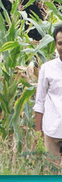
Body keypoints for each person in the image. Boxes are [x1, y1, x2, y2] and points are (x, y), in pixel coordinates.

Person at [34, 24, 62, 159]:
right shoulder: (47, 68)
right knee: (53, 173)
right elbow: (39, 101)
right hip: (52, 130)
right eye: (60, 43)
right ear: (55, 45)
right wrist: (37, 132)